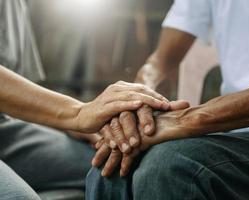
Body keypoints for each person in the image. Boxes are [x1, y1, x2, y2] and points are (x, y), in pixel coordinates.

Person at [86, 0, 249, 199]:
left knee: (169, 166)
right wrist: (135, 105)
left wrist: (189, 120)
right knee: (111, 166)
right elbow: (160, 62)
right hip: (243, 134)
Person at [0, 1, 179, 199]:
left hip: (7, 127)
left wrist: (61, 122)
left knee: (119, 166)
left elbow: (20, 87)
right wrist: (74, 113)